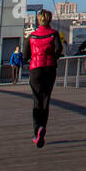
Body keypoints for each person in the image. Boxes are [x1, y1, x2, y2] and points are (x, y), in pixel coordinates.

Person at [22, 10, 64, 148]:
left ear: (38, 20)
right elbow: (59, 49)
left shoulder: (32, 36)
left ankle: (36, 132)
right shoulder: (53, 34)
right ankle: (42, 127)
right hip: (49, 69)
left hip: (36, 69)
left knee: (36, 100)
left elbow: (25, 55)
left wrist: (32, 59)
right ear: (49, 20)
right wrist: (52, 57)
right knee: (46, 99)